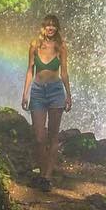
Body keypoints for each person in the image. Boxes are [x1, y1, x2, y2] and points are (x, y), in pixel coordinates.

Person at [20, 13, 71, 191]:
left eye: (54, 25)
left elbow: (64, 72)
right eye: (48, 25)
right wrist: (25, 94)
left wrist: (68, 95)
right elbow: (29, 70)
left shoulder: (61, 47)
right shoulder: (34, 45)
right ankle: (42, 173)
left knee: (53, 136)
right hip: (38, 92)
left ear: (57, 28)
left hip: (56, 92)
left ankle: (47, 177)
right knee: (39, 137)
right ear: (43, 27)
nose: (50, 28)